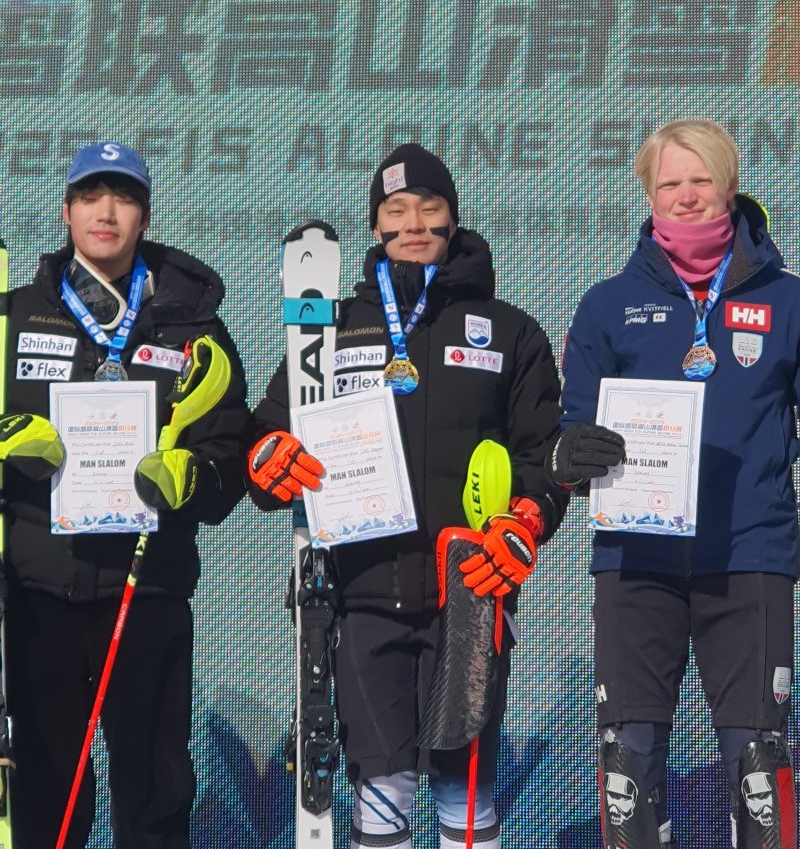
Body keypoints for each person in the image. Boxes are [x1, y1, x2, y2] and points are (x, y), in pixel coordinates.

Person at [248, 143, 569, 849]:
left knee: (464, 779)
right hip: (364, 592)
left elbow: (544, 457)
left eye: (430, 207)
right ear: (375, 226)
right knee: (382, 783)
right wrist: (268, 457)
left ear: (452, 220)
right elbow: (270, 434)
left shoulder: (509, 330)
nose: (414, 222)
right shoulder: (327, 328)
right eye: (396, 210)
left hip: (471, 593)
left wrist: (527, 521)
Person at [554, 119, 800, 847]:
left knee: (759, 769)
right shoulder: (606, 305)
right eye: (670, 183)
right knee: (626, 769)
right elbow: (569, 431)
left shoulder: (787, 301)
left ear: (729, 186)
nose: (687, 197)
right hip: (636, 561)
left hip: (750, 555)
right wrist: (571, 452)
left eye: (701, 180)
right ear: (649, 195)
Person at [1, 142, 248, 849]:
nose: (105, 212)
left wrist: (191, 477)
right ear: (66, 212)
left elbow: (228, 446)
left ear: (144, 216)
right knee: (48, 784)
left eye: (124, 198)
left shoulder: (191, 325)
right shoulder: (12, 318)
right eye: (90, 196)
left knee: (156, 786)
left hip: (148, 588)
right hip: (39, 590)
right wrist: (7, 438)